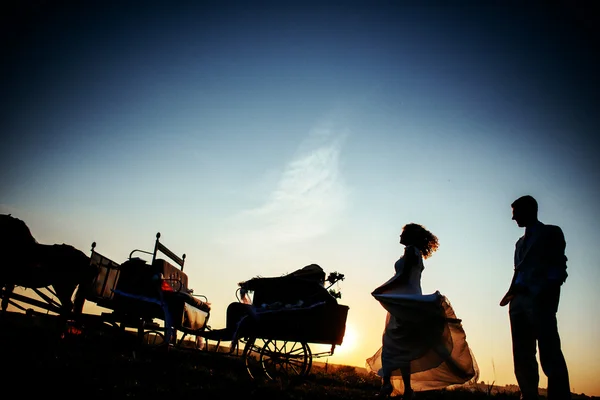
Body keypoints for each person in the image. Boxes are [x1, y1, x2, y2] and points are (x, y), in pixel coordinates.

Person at [366, 223, 478, 398]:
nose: (399, 237)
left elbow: (402, 277)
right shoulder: (416, 253)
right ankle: (407, 389)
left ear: (410, 237)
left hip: (405, 302)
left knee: (391, 342)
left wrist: (382, 289)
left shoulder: (411, 251)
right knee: (404, 345)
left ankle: (387, 385)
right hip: (408, 301)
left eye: (402, 234)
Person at [500, 195, 571, 400]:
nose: (513, 219)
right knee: (522, 354)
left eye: (516, 213)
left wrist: (546, 291)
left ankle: (559, 397)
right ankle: (528, 395)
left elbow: (559, 265)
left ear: (530, 210)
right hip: (517, 301)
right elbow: (518, 269)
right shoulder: (518, 243)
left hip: (539, 299)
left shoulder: (551, 232)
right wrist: (511, 295)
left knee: (549, 351)